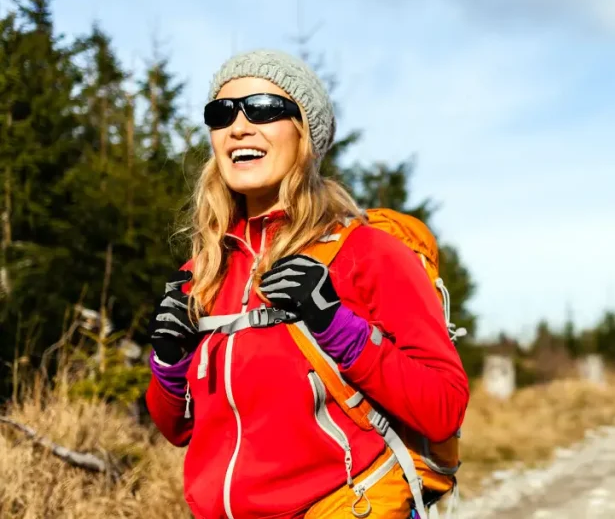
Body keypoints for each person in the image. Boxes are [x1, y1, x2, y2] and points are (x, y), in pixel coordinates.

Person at [144, 49, 470, 519]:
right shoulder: (202, 274)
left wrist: (336, 325)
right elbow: (177, 429)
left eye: (263, 109)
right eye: (221, 114)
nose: (239, 126)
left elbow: (444, 408)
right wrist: (169, 364)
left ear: (307, 136)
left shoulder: (367, 253)